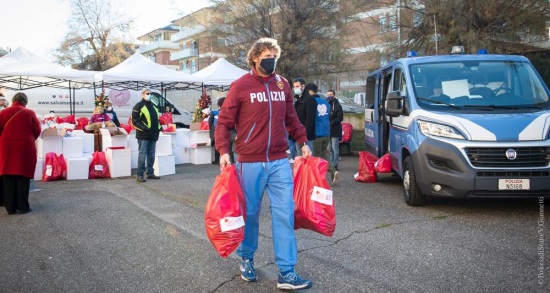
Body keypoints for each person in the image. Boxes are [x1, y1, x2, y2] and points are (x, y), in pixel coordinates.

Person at [215, 37, 313, 290]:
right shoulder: (241, 86)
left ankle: (287, 271)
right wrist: (224, 151)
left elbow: (291, 117)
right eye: (266, 55)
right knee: (250, 215)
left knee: (284, 213)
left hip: (280, 159)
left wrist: (302, 140)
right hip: (250, 162)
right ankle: (246, 258)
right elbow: (224, 122)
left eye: (274, 55)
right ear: (255, 58)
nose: (271, 59)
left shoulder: (282, 85)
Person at [0, 93, 41, 214]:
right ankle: (23, 207)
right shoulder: (30, 113)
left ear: (13, 101)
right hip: (25, 147)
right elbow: (37, 130)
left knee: (8, 175)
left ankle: (10, 208)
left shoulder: (3, 113)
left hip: (6, 146)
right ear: (25, 102)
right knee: (23, 176)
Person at [306, 83, 340, 184]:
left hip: (317, 133)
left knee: (316, 157)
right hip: (326, 132)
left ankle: (317, 179)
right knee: (324, 153)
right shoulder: (326, 103)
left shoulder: (311, 102)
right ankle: (333, 171)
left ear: (309, 91)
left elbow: (310, 118)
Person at [132, 88, 161, 182]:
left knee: (151, 154)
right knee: (142, 154)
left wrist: (160, 127)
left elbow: (157, 119)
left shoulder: (153, 106)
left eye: (150, 93)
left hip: (153, 134)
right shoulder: (138, 106)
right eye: (147, 93)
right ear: (142, 95)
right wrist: (144, 128)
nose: (149, 95)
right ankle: (140, 174)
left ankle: (150, 173)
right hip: (143, 135)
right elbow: (135, 120)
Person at [292, 77, 316, 155]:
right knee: (301, 160)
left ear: (303, 86)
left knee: (307, 161)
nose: (295, 88)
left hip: (306, 137)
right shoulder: (298, 100)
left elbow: (310, 121)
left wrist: (304, 137)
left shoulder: (309, 99)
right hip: (298, 135)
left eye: (297, 86)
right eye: (294, 87)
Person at [327, 90, 343, 170]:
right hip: (328, 130)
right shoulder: (327, 105)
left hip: (335, 129)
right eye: (328, 95)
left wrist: (332, 123)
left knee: (334, 147)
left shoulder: (338, 106)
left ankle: (335, 163)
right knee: (329, 148)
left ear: (334, 95)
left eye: (331, 94)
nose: (329, 96)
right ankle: (331, 163)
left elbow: (340, 117)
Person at [209, 97, 225, 164]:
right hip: (225, 131)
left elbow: (210, 122)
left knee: (217, 144)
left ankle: (216, 160)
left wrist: (210, 132)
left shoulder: (214, 113)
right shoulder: (228, 112)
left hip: (216, 131)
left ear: (219, 105)